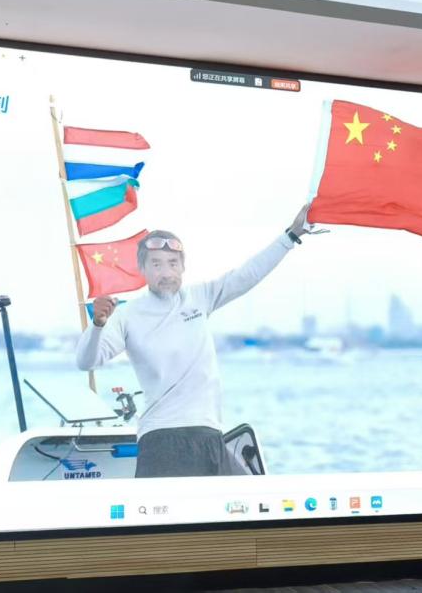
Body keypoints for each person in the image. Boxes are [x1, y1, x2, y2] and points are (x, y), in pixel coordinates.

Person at [75, 204, 316, 478]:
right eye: (156, 264)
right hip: (160, 437)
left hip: (208, 433)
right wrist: (98, 325)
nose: (166, 272)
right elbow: (86, 361)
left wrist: (291, 236)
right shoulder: (127, 315)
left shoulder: (200, 298)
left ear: (183, 267)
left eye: (172, 263)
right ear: (142, 268)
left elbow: (247, 275)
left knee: (247, 497)